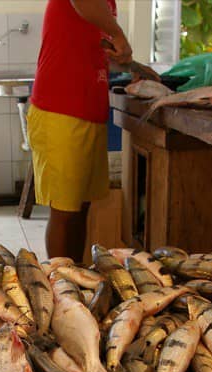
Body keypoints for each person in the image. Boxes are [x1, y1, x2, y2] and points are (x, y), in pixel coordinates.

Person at [27, 0, 135, 262]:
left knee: (80, 210)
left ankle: (74, 279)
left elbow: (91, 51)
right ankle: (61, 286)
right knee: (64, 213)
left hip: (89, 113)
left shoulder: (105, 6)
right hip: (60, 111)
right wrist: (119, 34)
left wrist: (129, 65)